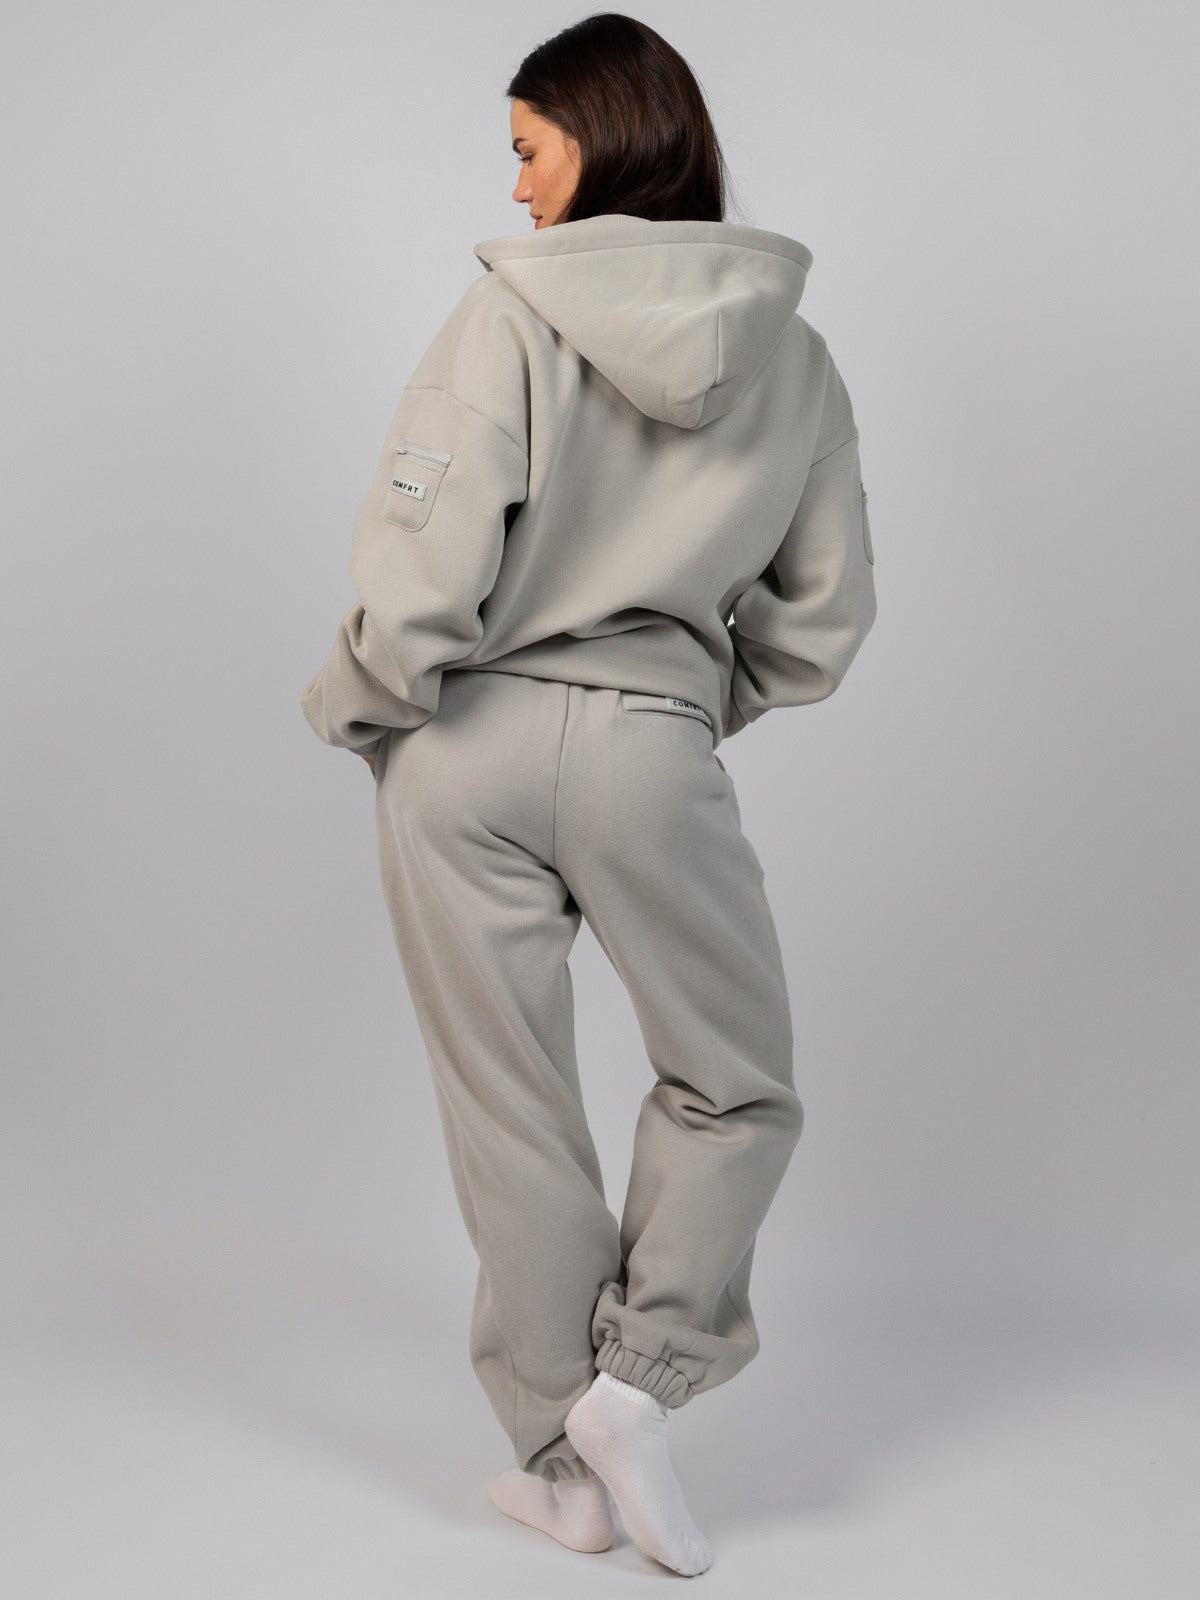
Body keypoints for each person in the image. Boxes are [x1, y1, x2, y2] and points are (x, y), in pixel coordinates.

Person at [300, 11, 877, 1579]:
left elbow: (423, 572)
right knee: (733, 1081)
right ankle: (636, 1392)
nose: (516, 188)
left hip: (462, 751)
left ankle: (564, 1460)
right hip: (648, 753)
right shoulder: (796, 357)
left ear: (603, 138)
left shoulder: (505, 314)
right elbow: (822, 620)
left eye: (529, 149)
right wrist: (676, 707)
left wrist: (360, 709)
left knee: (513, 1113)